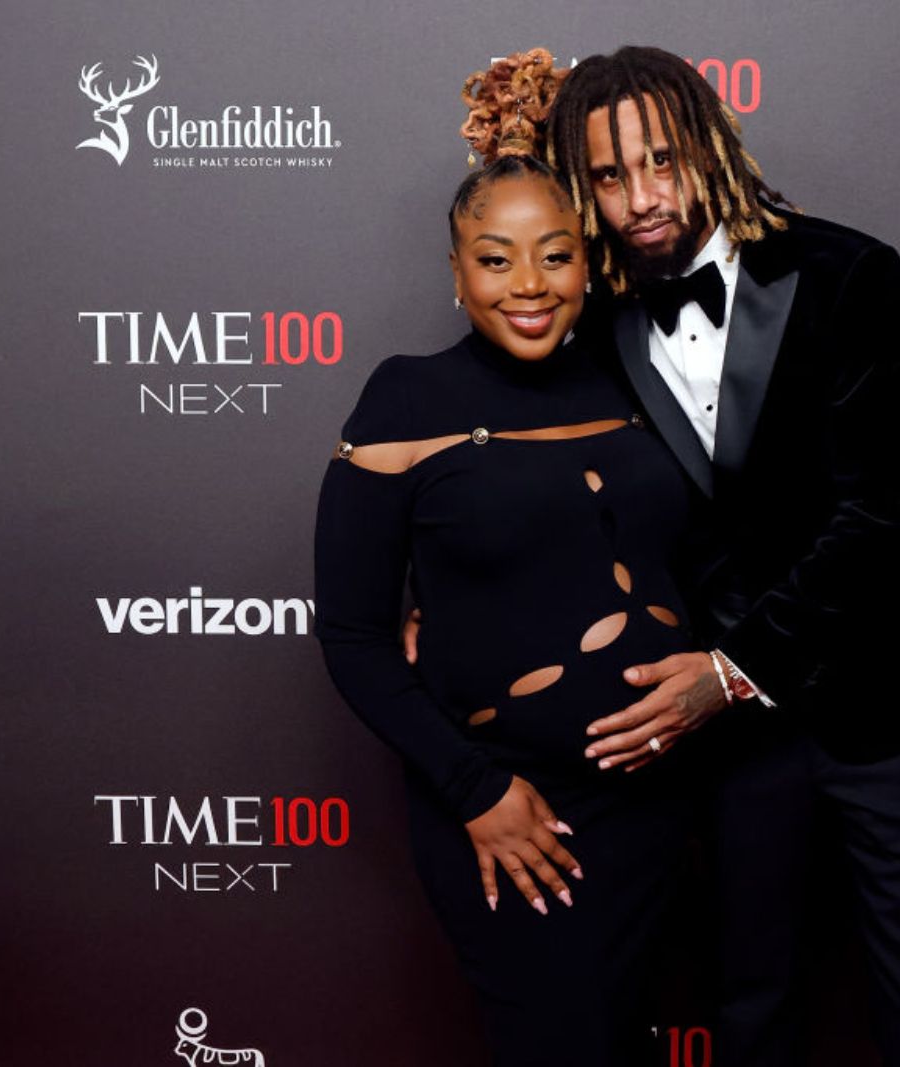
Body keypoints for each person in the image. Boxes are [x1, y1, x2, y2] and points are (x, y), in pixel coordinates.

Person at [541, 46, 900, 1067]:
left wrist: (729, 673)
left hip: (893, 709)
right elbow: (526, 480)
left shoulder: (848, 271)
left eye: (660, 161)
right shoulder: (592, 321)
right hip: (737, 750)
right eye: (608, 177)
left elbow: (876, 514)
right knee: (747, 1002)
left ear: (708, 145)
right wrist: (437, 595)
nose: (641, 199)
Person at [313, 54, 694, 1067]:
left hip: (658, 807)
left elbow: (709, 553)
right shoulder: (404, 401)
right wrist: (475, 787)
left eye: (555, 254)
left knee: (623, 1039)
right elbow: (353, 634)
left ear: (589, 260)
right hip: (505, 807)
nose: (528, 286)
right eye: (494, 258)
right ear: (454, 271)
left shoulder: (641, 372)